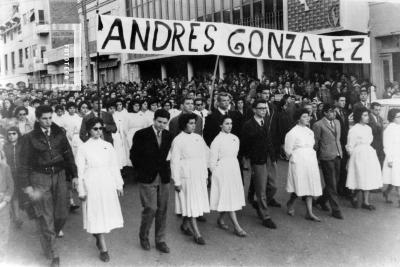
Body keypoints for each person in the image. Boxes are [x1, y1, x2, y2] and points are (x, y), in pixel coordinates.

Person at [19, 105, 78, 267]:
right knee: (46, 215)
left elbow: (68, 154)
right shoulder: (29, 138)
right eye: (44, 118)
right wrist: (27, 186)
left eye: (50, 118)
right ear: (37, 119)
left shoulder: (59, 133)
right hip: (39, 177)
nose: (48, 121)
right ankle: (54, 253)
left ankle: (47, 237)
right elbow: (23, 164)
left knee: (62, 213)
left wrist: (74, 175)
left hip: (59, 175)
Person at [76, 117, 124, 262]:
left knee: (104, 212)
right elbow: (80, 170)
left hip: (106, 181)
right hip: (92, 181)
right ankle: (103, 247)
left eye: (100, 128)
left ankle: (98, 236)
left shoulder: (107, 145)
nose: (98, 131)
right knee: (95, 211)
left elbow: (114, 165)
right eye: (95, 129)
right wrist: (81, 190)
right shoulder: (83, 147)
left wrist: (118, 184)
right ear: (89, 130)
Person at [130, 109, 173, 253]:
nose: (161, 125)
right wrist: (142, 171)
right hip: (147, 177)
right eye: (159, 122)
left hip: (164, 177)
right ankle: (144, 236)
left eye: (164, 123)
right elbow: (134, 156)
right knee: (151, 209)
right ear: (154, 120)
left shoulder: (168, 135)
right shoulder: (141, 134)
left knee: (162, 210)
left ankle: (160, 240)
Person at [170, 113, 210, 245]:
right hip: (186, 175)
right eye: (190, 123)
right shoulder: (178, 140)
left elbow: (204, 157)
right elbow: (174, 162)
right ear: (183, 124)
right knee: (190, 202)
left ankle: (185, 225)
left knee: (193, 201)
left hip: (198, 173)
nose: (194, 126)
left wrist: (205, 175)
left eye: (194, 123)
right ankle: (197, 233)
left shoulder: (199, 138)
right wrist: (176, 181)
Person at [241, 99, 277, 229]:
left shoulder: (266, 122)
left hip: (268, 158)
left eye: (265, 108)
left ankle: (254, 198)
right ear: (254, 110)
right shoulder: (248, 125)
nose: (263, 110)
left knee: (273, 186)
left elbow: (270, 140)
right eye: (260, 108)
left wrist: (273, 158)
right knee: (261, 189)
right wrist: (248, 160)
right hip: (257, 160)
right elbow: (245, 144)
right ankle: (265, 216)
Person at [209, 116, 246, 237]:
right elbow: (212, 161)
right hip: (222, 171)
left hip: (233, 169)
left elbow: (235, 155)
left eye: (231, 123)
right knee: (228, 196)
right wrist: (216, 173)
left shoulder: (235, 138)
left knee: (230, 196)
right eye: (226, 123)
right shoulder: (217, 140)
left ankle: (220, 219)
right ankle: (237, 227)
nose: (229, 126)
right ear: (221, 125)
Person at [285, 109, 323, 222]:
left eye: (308, 116)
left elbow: (312, 145)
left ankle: (309, 212)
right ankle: (290, 203)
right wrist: (295, 159)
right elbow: (288, 150)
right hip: (298, 161)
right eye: (304, 116)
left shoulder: (310, 132)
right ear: (298, 118)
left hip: (310, 160)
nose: (307, 118)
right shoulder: (292, 132)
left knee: (310, 185)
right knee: (299, 185)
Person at [346, 107, 383, 210]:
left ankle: (366, 202)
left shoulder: (368, 128)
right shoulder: (354, 129)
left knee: (368, 177)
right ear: (359, 116)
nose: (367, 118)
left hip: (369, 154)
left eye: (367, 115)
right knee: (359, 177)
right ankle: (354, 196)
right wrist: (350, 158)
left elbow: (370, 141)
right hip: (358, 155)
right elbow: (350, 146)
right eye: (365, 115)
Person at [312, 103, 344, 220]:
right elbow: (315, 143)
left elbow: (338, 139)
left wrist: (340, 152)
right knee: (331, 183)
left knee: (336, 180)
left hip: (338, 154)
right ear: (325, 113)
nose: (334, 114)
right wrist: (316, 157)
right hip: (326, 156)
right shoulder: (318, 125)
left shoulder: (337, 122)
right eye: (331, 111)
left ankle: (320, 200)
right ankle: (336, 210)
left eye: (335, 112)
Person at [3, 127, 24, 228]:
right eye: (9, 134)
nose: (11, 136)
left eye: (14, 133)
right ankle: (17, 217)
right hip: (10, 174)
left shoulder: (23, 145)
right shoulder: (5, 147)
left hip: (22, 173)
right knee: (14, 194)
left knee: (22, 194)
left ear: (18, 134)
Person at [381, 109, 400, 206]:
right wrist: (390, 159)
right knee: (396, 179)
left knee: (395, 179)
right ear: (393, 118)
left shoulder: (398, 127)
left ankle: (386, 192)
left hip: (399, 156)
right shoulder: (389, 129)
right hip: (393, 157)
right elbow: (386, 145)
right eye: (398, 117)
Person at [334, 95, 351, 197]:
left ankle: (343, 188)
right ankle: (339, 189)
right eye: (341, 100)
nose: (343, 102)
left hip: (345, 143)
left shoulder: (345, 112)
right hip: (338, 143)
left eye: (344, 101)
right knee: (339, 167)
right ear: (336, 101)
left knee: (344, 166)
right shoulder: (334, 114)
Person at [0, 149, 14, 261]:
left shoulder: (5, 168)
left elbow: (11, 187)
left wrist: (4, 201)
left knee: (4, 228)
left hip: (3, 203)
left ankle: (2, 250)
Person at [369, 102, 385, 167]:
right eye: (376, 110)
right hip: (372, 145)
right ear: (371, 110)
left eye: (379, 110)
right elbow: (372, 131)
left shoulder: (380, 118)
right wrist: (380, 126)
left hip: (380, 145)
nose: (378, 112)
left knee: (380, 163)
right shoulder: (368, 118)